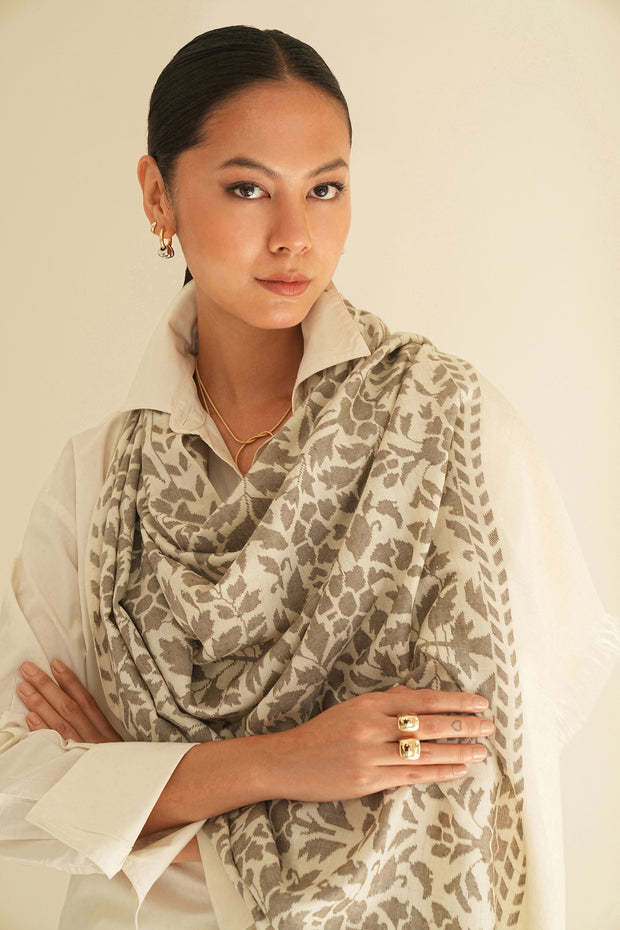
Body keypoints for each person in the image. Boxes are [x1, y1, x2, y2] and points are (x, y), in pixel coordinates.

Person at [0, 24, 616, 930]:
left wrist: (136, 786)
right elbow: (13, 786)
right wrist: (284, 762)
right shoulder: (96, 481)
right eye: (248, 189)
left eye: (324, 189)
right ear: (158, 194)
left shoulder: (446, 425)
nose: (295, 236)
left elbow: (494, 758)